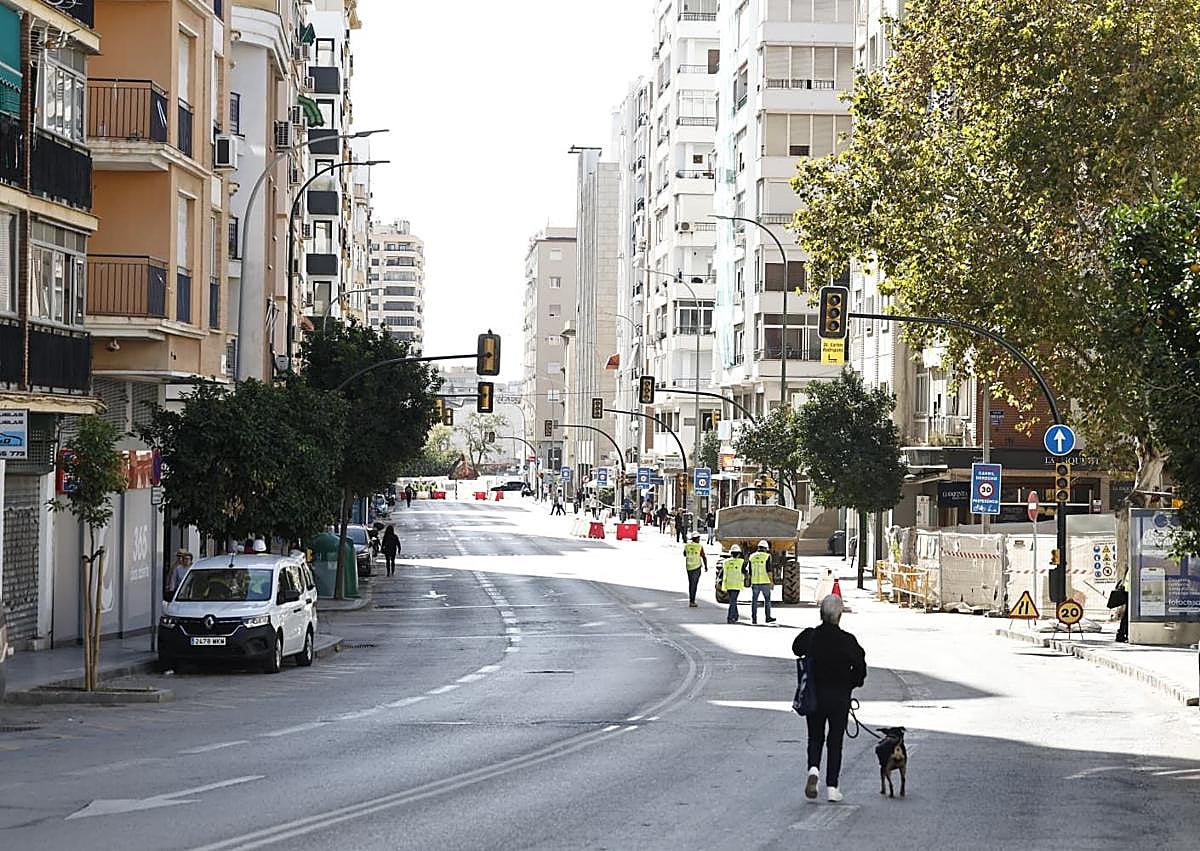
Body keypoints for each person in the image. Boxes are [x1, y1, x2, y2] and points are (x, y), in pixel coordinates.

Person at [793, 594, 867, 803]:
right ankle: (833, 788)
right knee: (835, 741)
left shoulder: (811, 637)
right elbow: (861, 669)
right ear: (840, 616)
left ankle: (813, 770)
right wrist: (851, 683)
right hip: (839, 698)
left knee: (815, 737)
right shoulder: (848, 641)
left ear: (821, 614)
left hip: (815, 695)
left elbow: (796, 648)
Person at [749, 540, 777, 625]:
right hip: (765, 582)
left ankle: (754, 619)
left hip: (755, 582)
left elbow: (750, 571)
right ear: (765, 548)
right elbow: (769, 571)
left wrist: (749, 581)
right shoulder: (767, 556)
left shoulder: (751, 556)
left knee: (754, 601)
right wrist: (771, 581)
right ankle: (768, 617)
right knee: (767, 601)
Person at [720, 545, 748, 624]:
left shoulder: (725, 562)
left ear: (731, 553)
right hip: (736, 585)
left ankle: (735, 615)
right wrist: (748, 578)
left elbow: (722, 572)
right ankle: (730, 617)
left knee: (733, 600)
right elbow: (744, 572)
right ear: (739, 554)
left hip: (728, 584)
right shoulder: (741, 562)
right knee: (733, 601)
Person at [684, 532, 708, 607]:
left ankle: (691, 600)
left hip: (688, 567)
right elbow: (703, 557)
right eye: (699, 538)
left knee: (691, 584)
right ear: (697, 539)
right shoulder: (699, 546)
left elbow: (684, 554)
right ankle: (692, 601)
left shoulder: (687, 546)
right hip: (696, 567)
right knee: (694, 584)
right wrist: (706, 566)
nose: (699, 540)